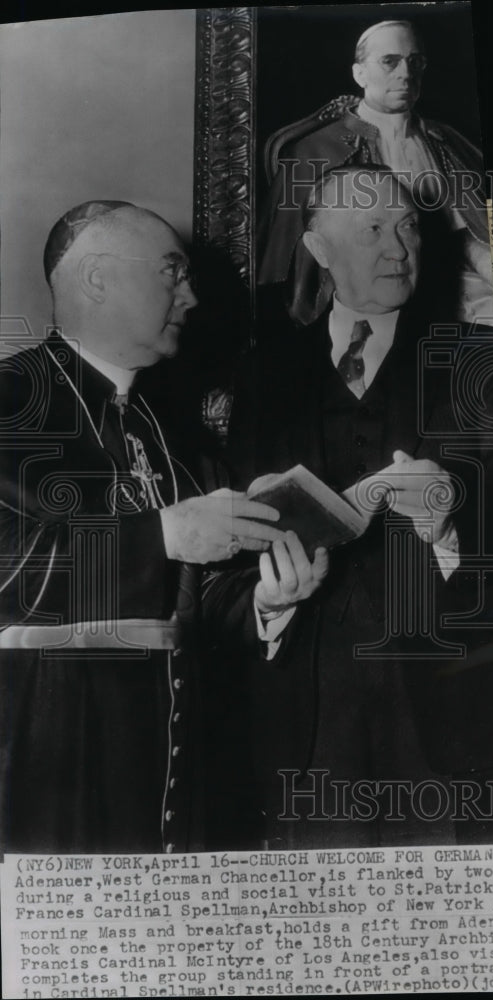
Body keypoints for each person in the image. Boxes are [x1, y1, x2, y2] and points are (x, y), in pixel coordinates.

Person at [0, 199, 328, 854]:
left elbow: (194, 602)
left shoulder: (173, 429)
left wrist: (265, 597)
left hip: (177, 755)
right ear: (97, 278)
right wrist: (164, 536)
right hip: (48, 746)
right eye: (172, 273)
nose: (192, 295)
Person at [227, 167, 493, 849]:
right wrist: (269, 600)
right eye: (371, 230)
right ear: (318, 248)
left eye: (407, 227)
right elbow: (234, 549)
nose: (398, 248)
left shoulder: (482, 366)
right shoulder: (264, 373)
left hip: (450, 722)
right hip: (306, 718)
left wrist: (449, 527)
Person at [258, 19, 493, 326]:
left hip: (460, 284)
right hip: (373, 296)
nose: (406, 74)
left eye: (415, 62)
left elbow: (466, 231)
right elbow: (291, 272)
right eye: (389, 62)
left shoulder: (447, 140)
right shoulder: (312, 152)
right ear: (360, 74)